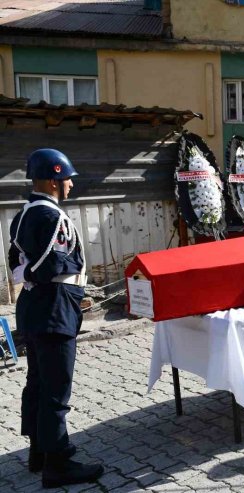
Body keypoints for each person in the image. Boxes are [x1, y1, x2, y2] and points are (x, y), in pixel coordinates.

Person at [9, 149, 104, 488]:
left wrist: (31, 276)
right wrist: (73, 288)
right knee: (56, 389)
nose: (70, 186)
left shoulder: (23, 214)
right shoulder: (52, 216)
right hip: (54, 306)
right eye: (67, 179)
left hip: (34, 307)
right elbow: (51, 264)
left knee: (38, 381)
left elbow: (16, 264)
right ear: (53, 180)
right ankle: (58, 463)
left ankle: (39, 451)